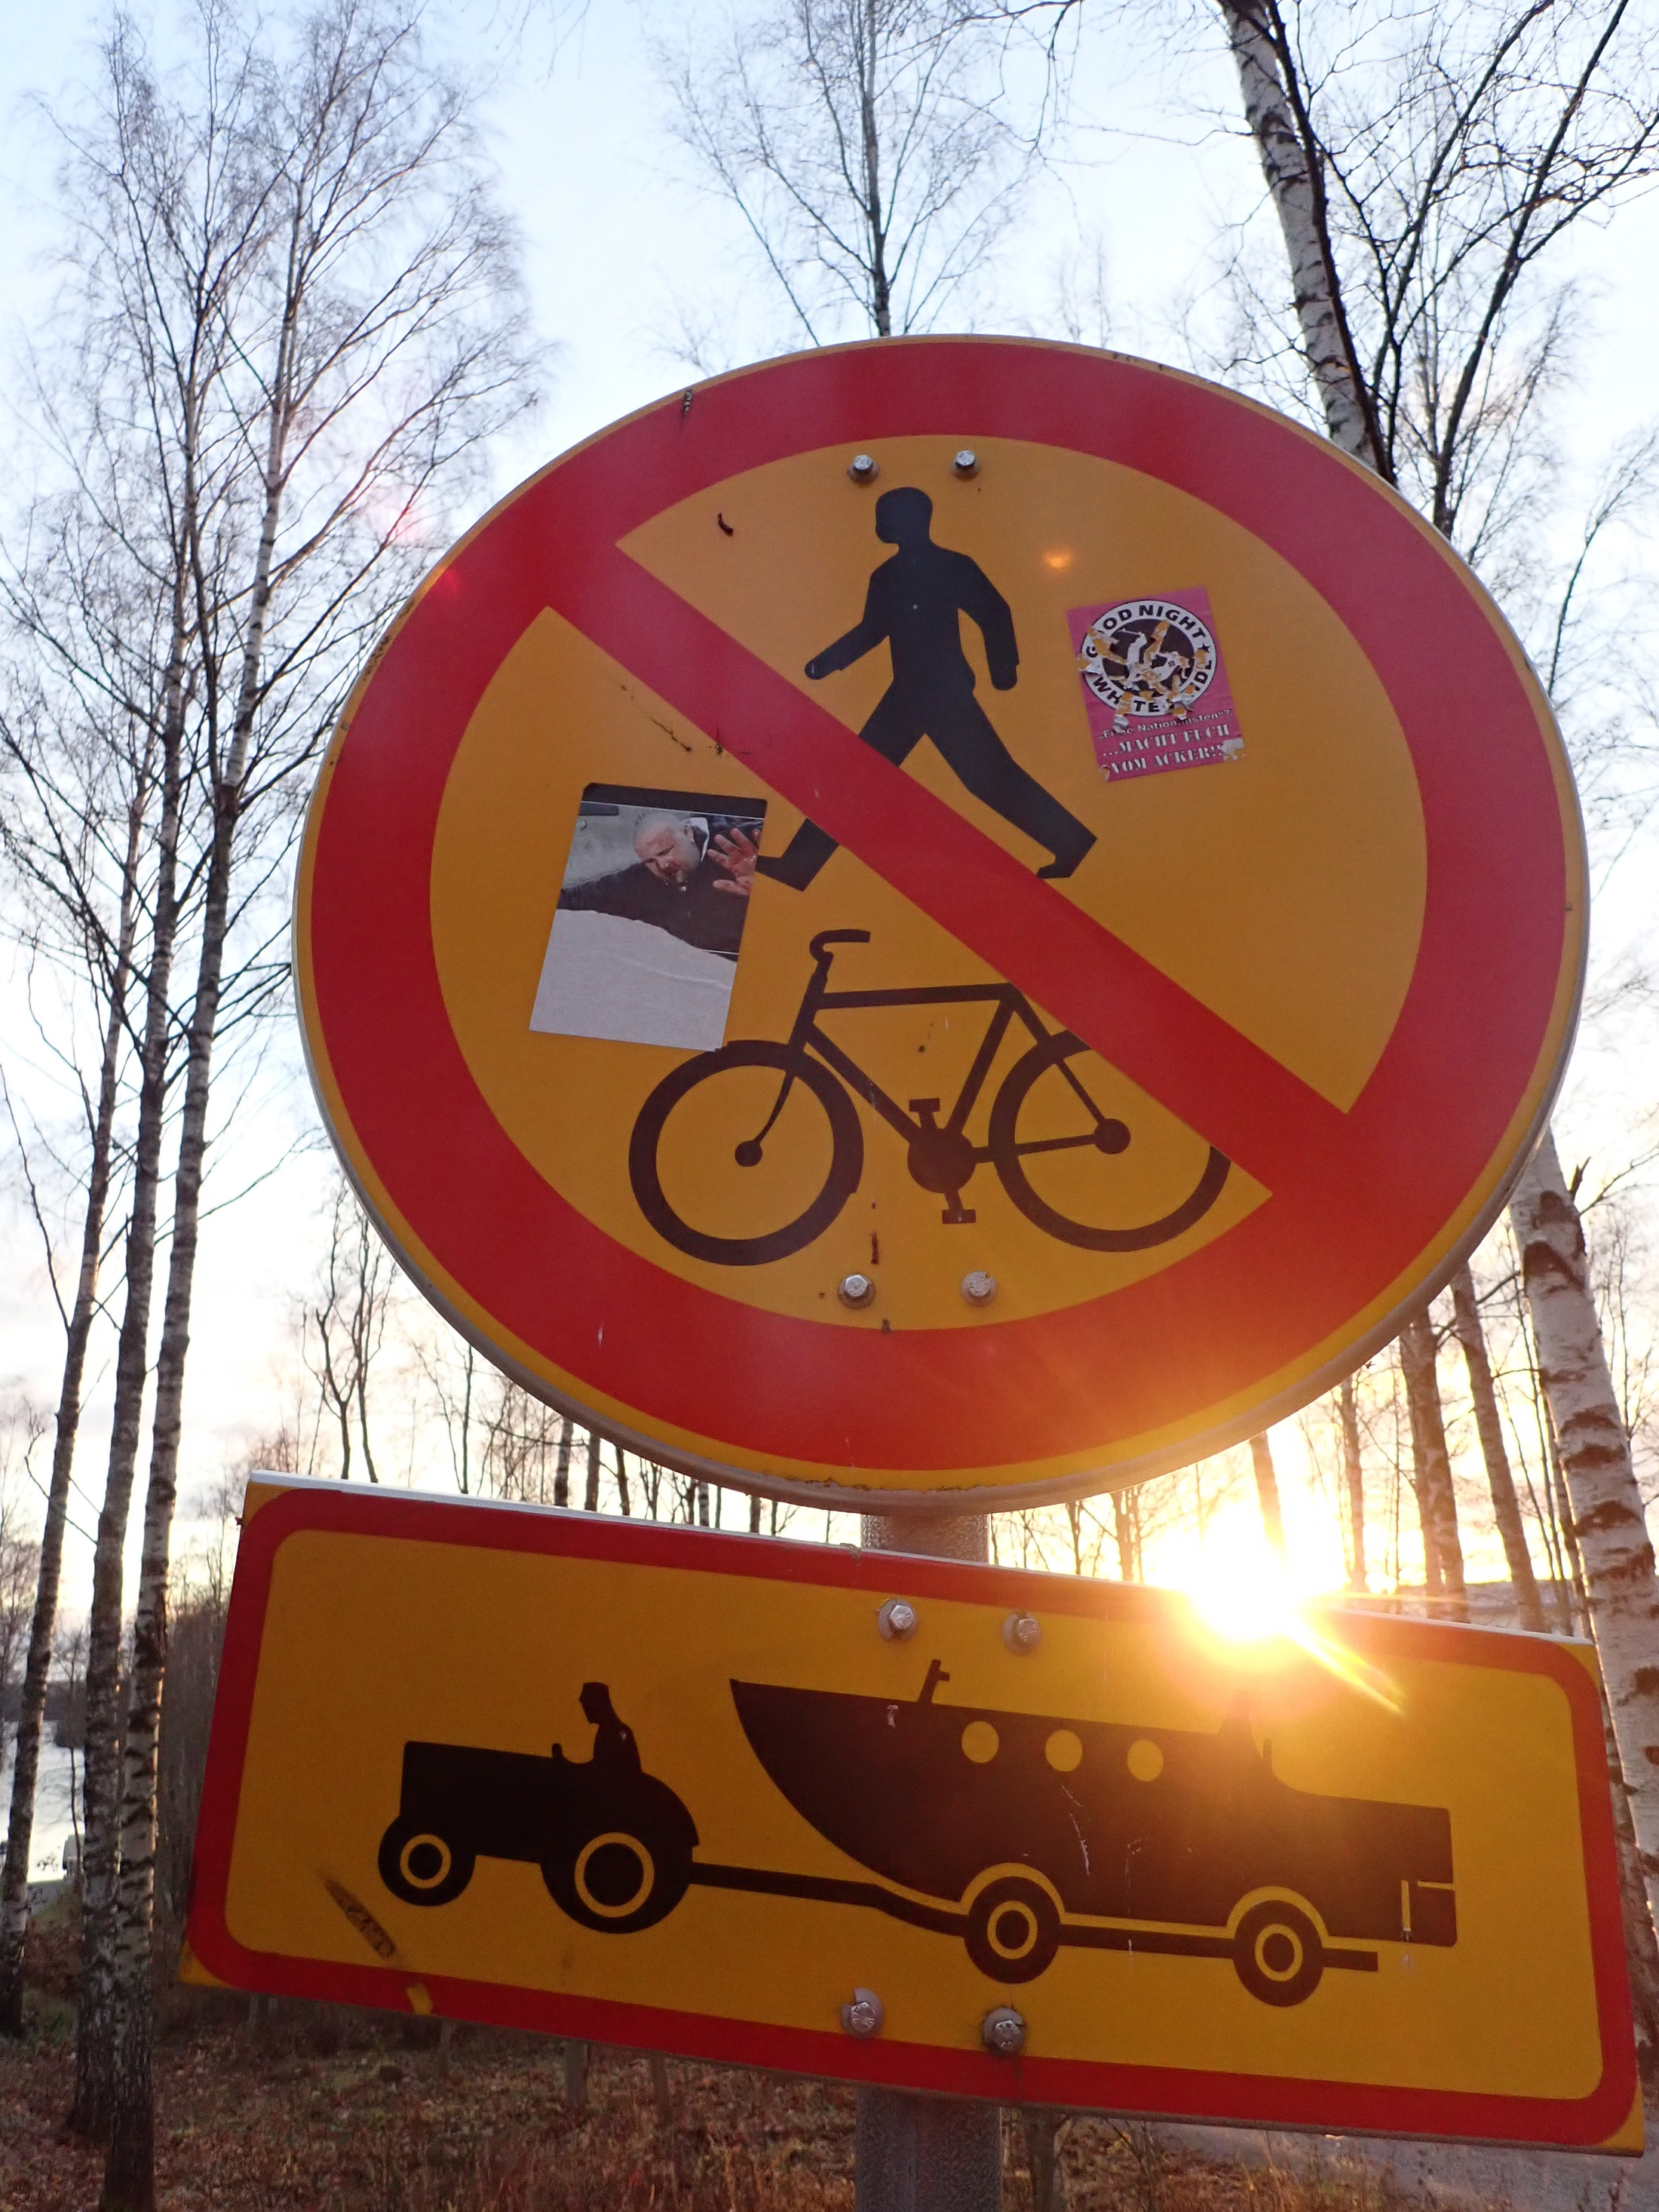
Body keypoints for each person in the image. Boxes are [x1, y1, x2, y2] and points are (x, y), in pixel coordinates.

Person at [754, 486, 1096, 890]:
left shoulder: (952, 566)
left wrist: (1003, 670)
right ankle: (798, 866)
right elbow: (872, 630)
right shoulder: (885, 576)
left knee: (988, 777)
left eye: (885, 516)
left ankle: (1072, 842)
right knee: (861, 778)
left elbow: (994, 611)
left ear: (910, 520)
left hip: (945, 691)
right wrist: (826, 662)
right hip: (907, 693)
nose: (879, 524)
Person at [559, 810, 759, 958]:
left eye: (665, 852)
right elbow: (582, 898)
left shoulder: (742, 845)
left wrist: (763, 886)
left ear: (687, 833)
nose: (662, 865)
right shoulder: (640, 882)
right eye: (650, 861)